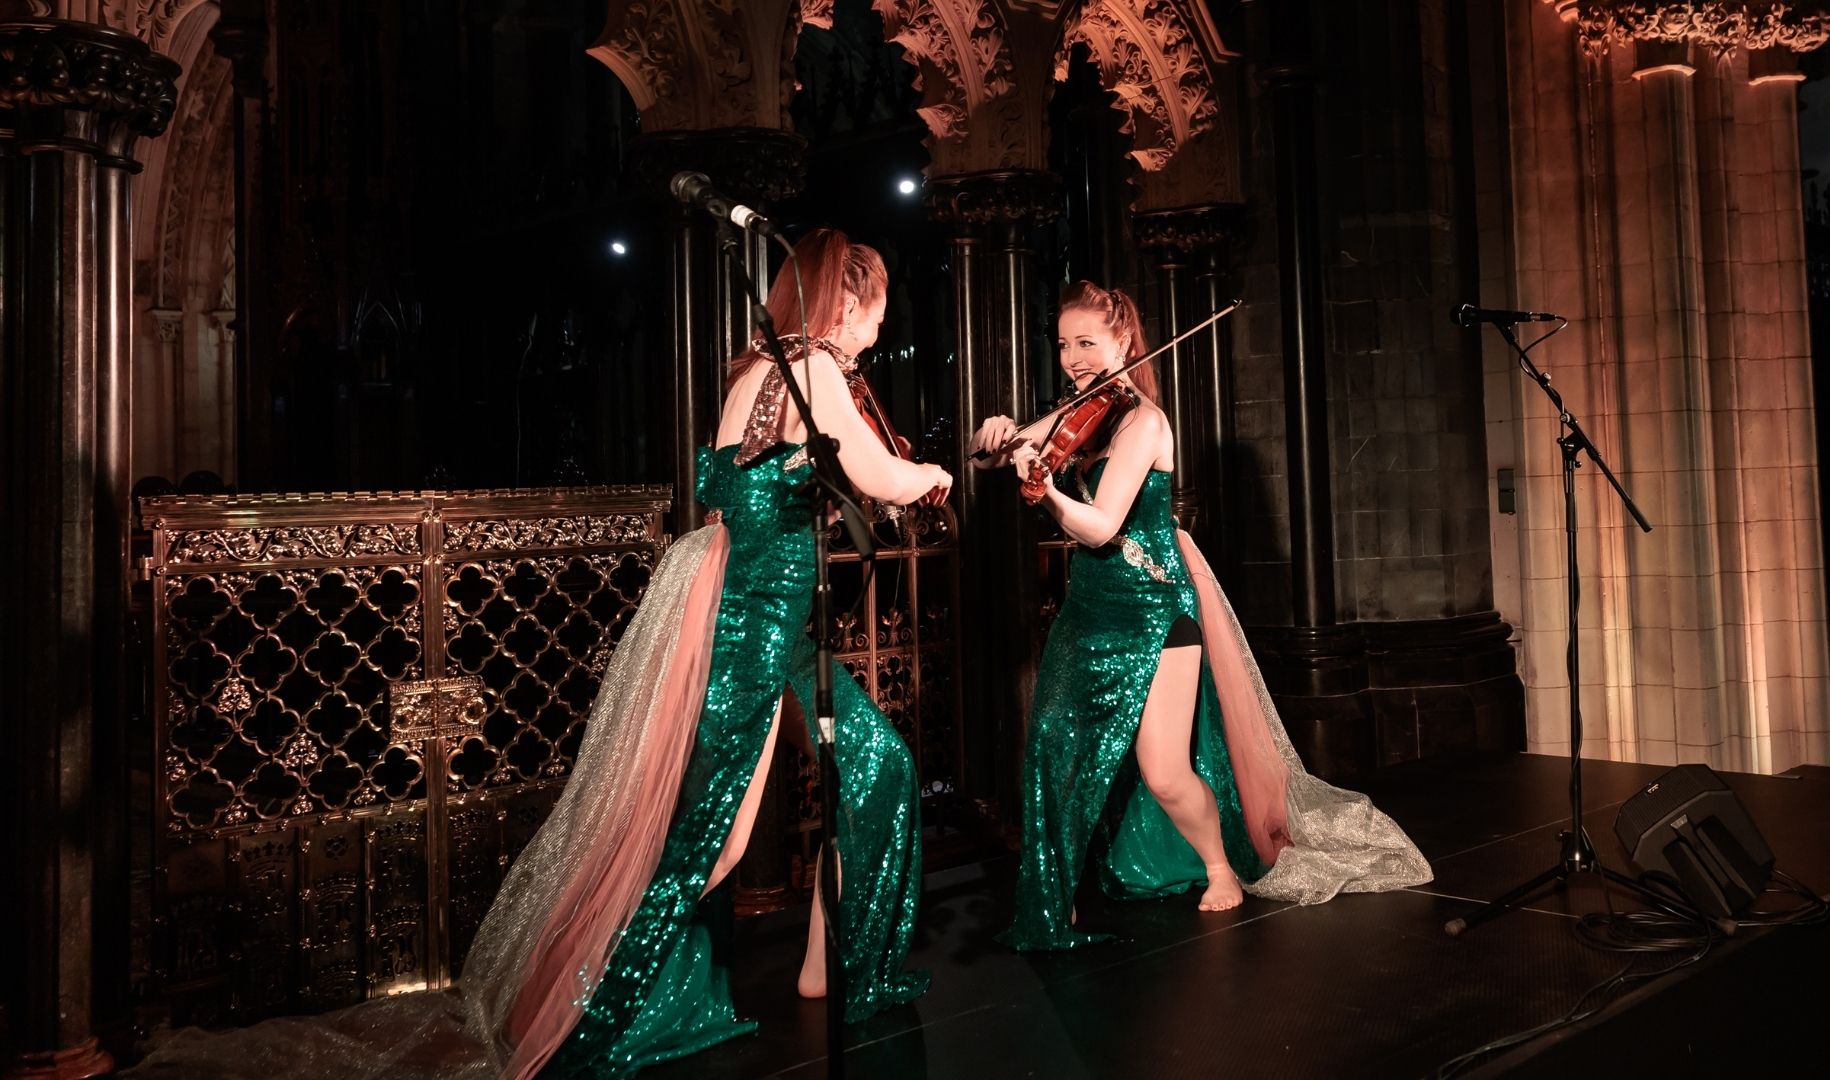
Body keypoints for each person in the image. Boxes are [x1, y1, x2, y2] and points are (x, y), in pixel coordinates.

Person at [125, 230, 949, 1079]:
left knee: (859, 773)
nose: (875, 338)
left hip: (751, 621)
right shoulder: (810, 369)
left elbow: (772, 489)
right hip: (762, 630)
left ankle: (828, 969)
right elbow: (877, 476)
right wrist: (927, 478)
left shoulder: (753, 376)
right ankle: (597, 1001)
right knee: (713, 840)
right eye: (875, 316)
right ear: (847, 301)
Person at [972, 281, 1430, 952]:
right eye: (1064, 343)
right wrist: (993, 436)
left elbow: (1099, 529)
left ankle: (1220, 866)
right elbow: (991, 455)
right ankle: (1052, 899)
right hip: (1092, 607)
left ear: (1124, 342)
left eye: (1086, 342)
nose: (1072, 356)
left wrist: (1044, 494)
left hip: (1157, 610)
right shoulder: (1079, 411)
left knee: (1162, 770)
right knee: (1051, 747)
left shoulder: (1144, 422)